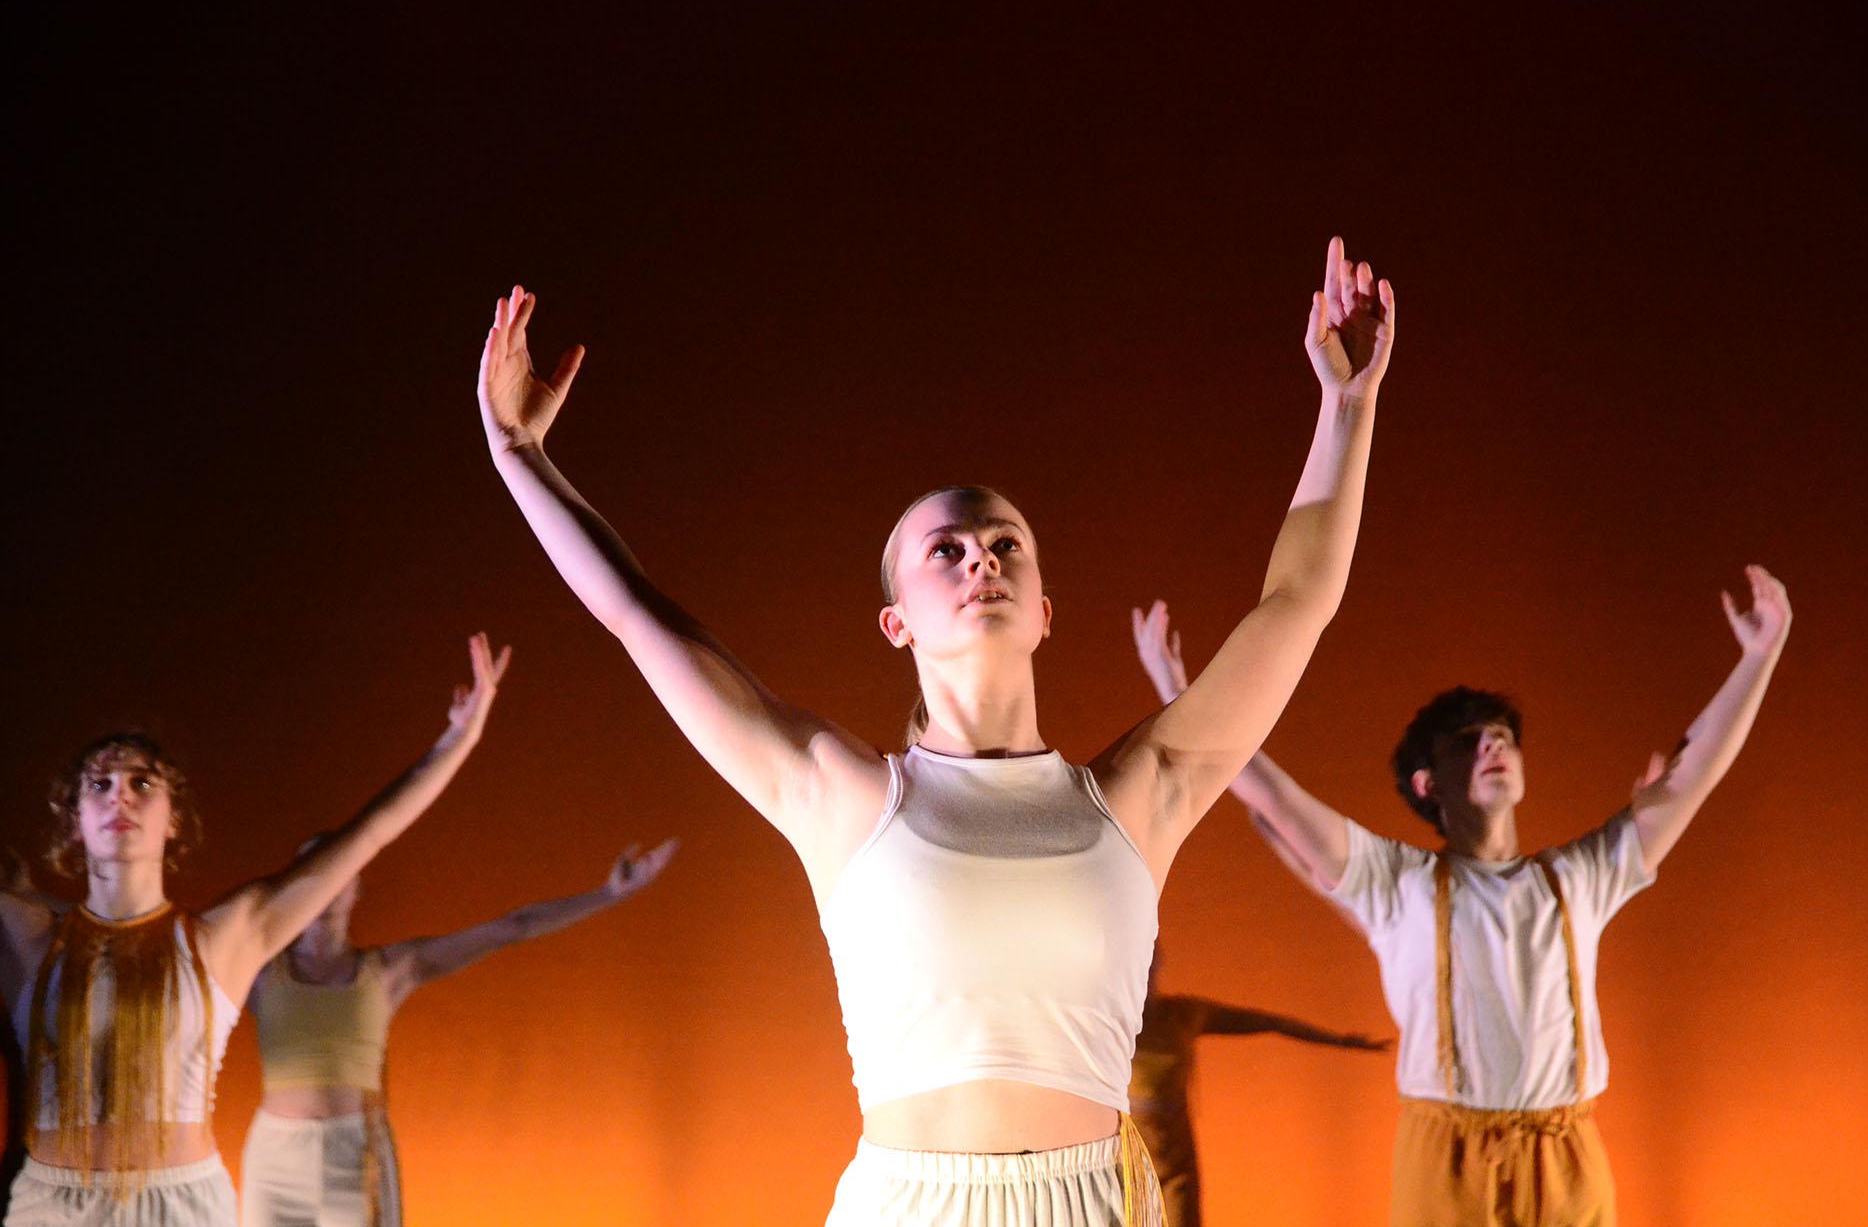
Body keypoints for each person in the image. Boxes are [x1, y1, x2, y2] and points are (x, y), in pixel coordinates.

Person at [475, 235, 1396, 1226]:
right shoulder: (845, 798)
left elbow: (1296, 603)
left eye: (1007, 545)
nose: (980, 560)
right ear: (896, 620)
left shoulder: (1137, 795)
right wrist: (521, 455)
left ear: (1046, 608)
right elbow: (643, 619)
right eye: (945, 549)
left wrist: (1347, 409)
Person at [1130, 568, 1791, 1227]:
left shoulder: (1582, 877)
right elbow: (1271, 792)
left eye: (1502, 734)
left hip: (1567, 1158)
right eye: (1468, 740)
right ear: (1428, 783)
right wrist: (1179, 695)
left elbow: (1691, 777)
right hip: (1448, 1163)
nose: (1493, 743)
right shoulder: (1399, 884)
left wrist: (1759, 656)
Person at [0, 634, 510, 1227]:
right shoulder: (27, 934)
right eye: (99, 785)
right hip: (51, 1206)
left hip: (182, 1204)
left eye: (142, 784)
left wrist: (458, 740)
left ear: (173, 821)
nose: (121, 796)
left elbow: (367, 835)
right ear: (74, 818)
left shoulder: (225, 937)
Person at [240, 837, 677, 1227]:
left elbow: (511, 927)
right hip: (275, 1163)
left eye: (340, 871)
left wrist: (608, 895)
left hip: (356, 1156)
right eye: (315, 873)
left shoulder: (389, 970)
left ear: (356, 886)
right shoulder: (257, 974)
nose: (327, 886)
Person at [1129, 946, 1387, 1227]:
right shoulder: (1109, 1022)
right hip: (1128, 1144)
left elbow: (1268, 1022)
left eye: (1151, 966)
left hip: (1176, 1144)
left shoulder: (1184, 1014)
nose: (1146, 976)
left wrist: (1338, 1040)